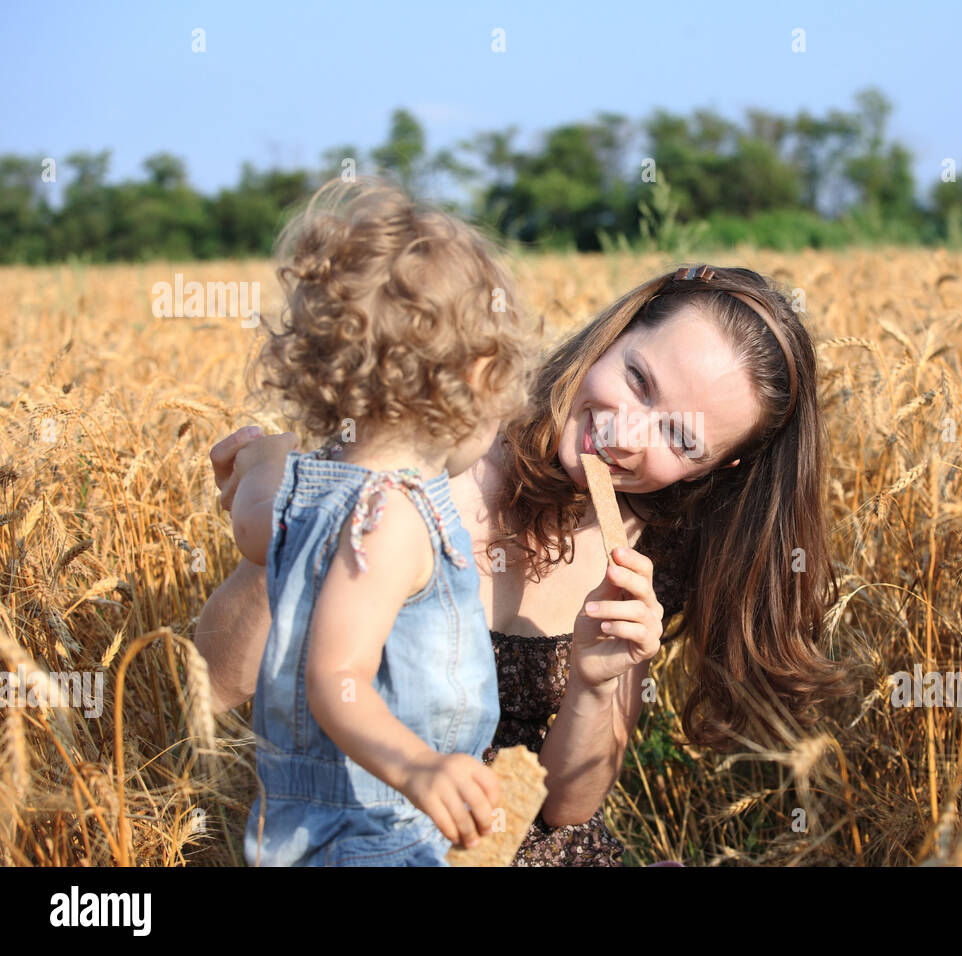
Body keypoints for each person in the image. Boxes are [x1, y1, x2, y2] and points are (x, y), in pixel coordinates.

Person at [201, 262, 852, 866]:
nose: (625, 434)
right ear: (614, 335)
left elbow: (567, 808)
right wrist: (312, 514)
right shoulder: (439, 435)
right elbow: (214, 684)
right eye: (637, 380)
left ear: (716, 467)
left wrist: (598, 680)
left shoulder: (647, 554)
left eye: (680, 438)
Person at [230, 176, 535, 865]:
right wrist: (419, 768)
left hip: (296, 819)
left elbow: (252, 524)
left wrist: (255, 460)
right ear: (477, 378)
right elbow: (337, 678)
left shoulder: (300, 489)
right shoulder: (394, 515)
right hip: (378, 825)